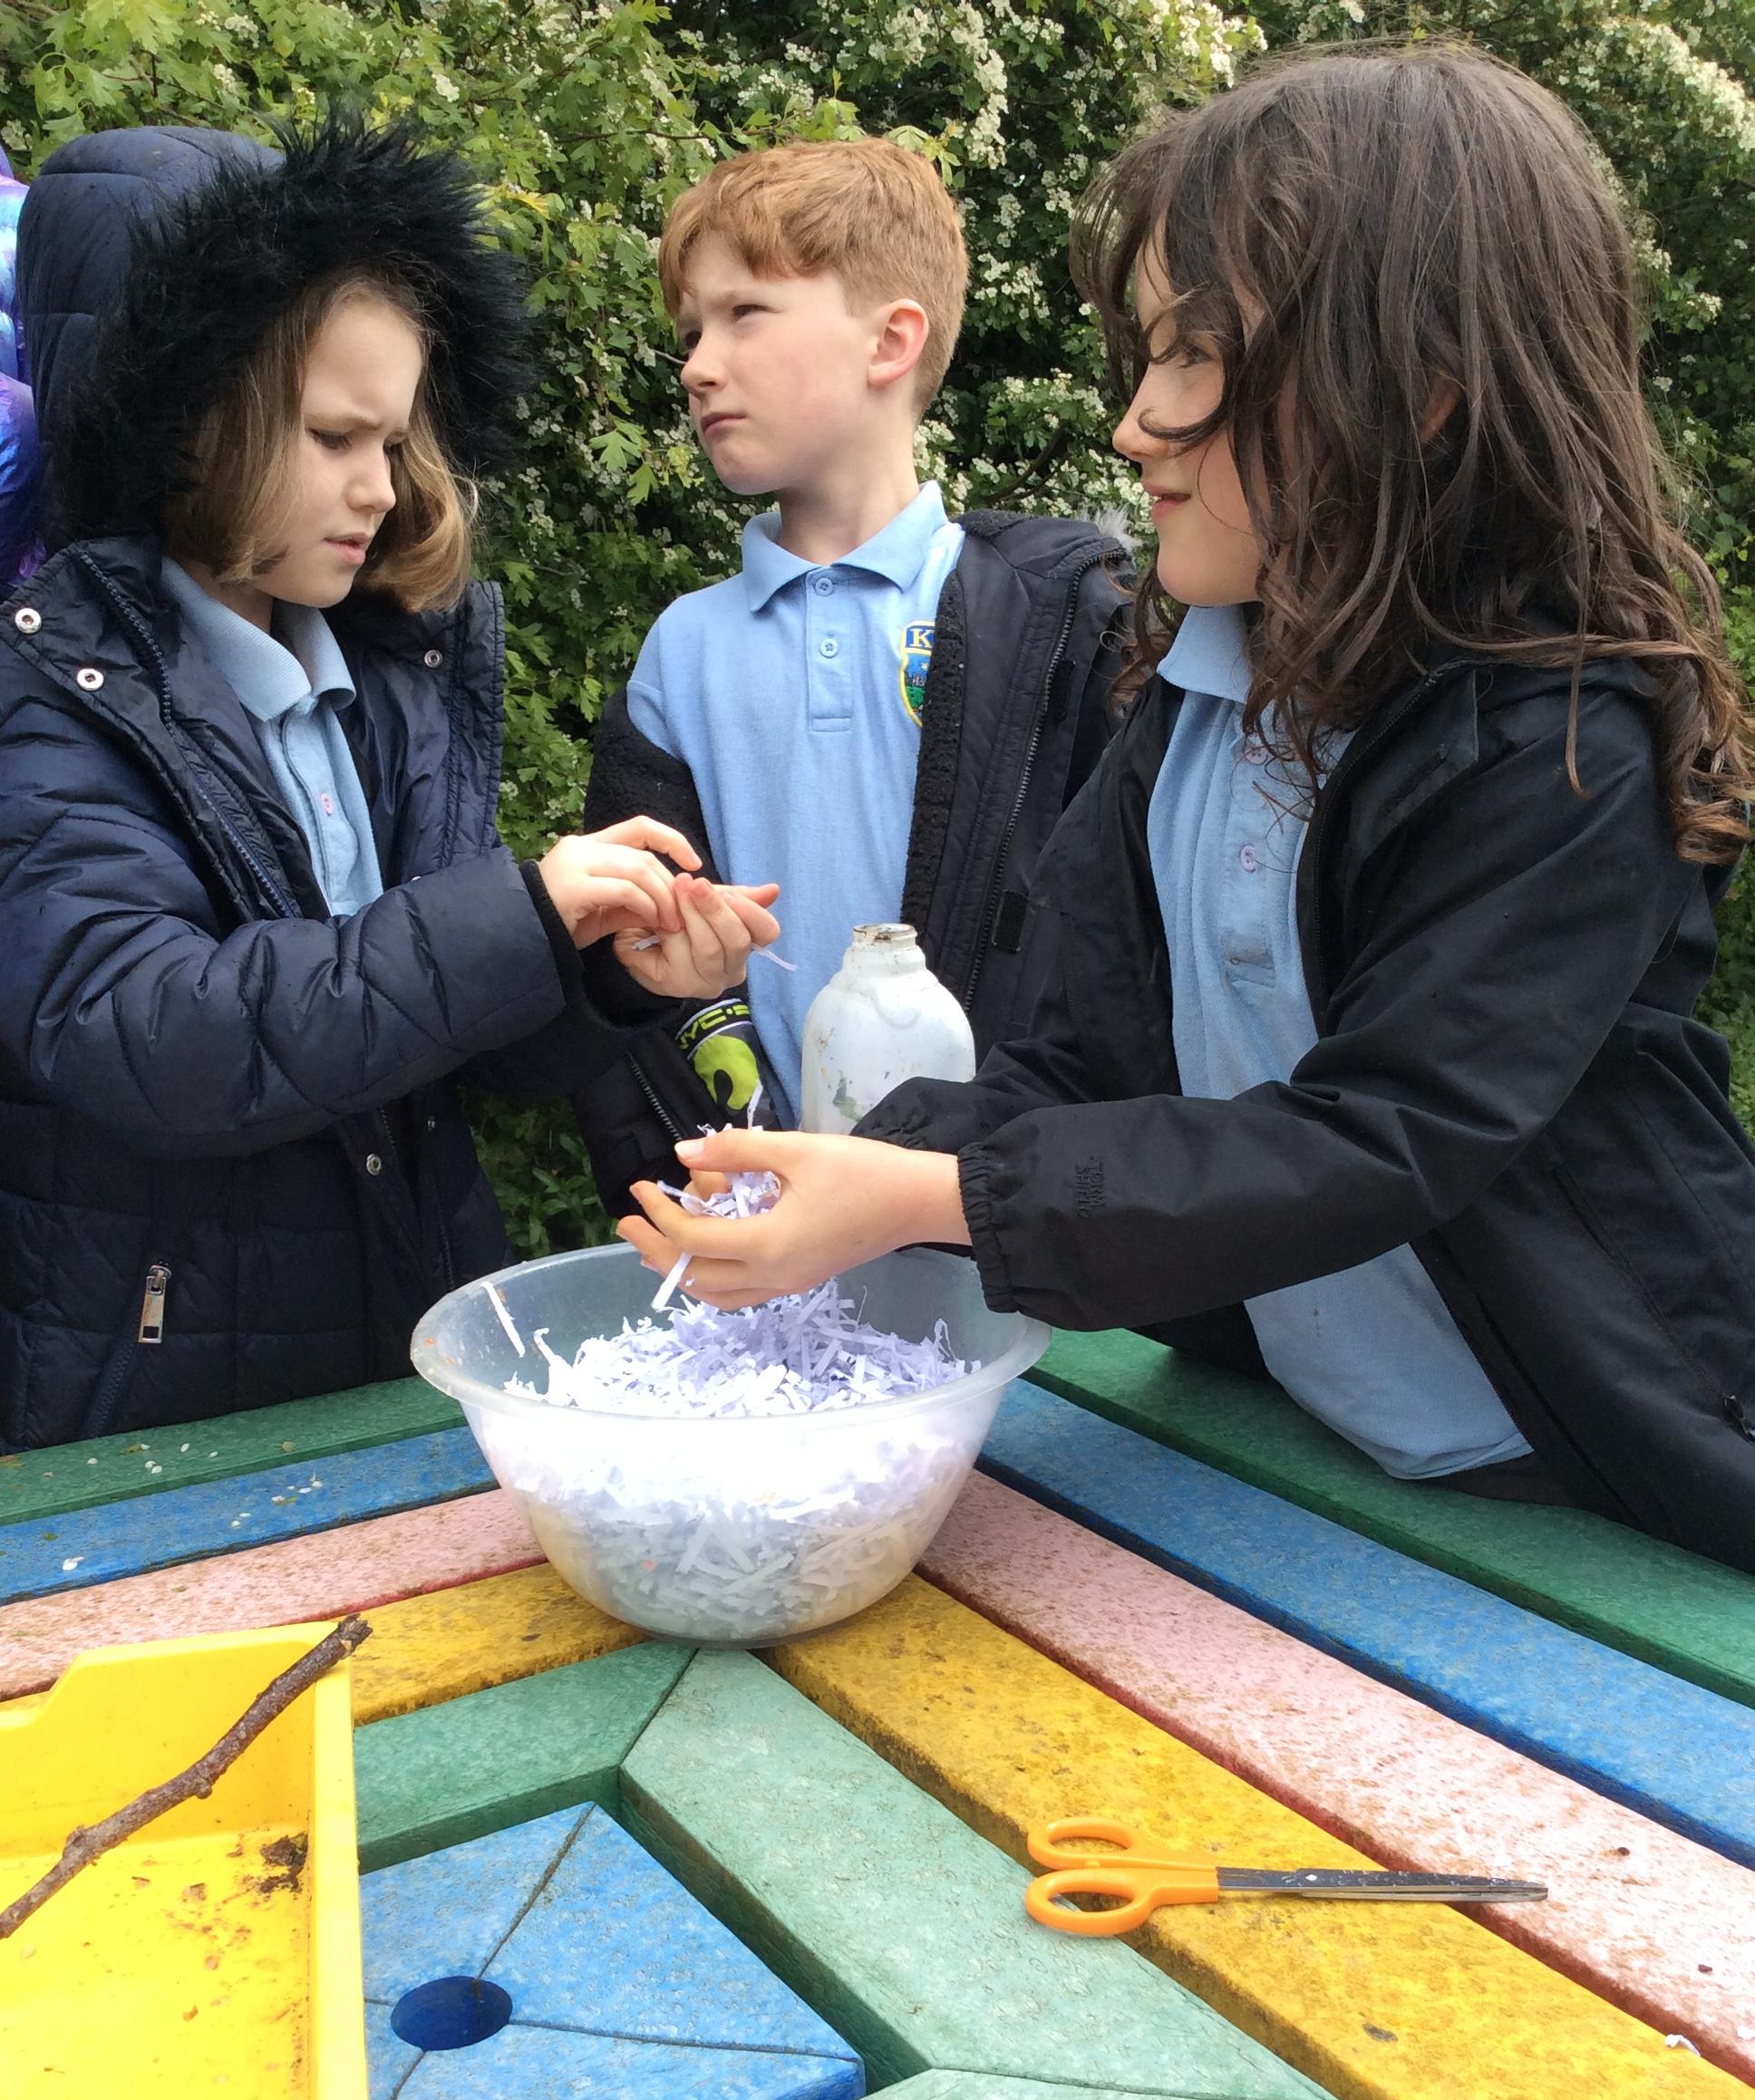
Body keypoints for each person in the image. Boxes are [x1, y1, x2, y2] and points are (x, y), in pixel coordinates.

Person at [619, 45, 1755, 1571]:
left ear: (1416, 393)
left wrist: (937, 1193)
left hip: (1571, 1467)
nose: (1136, 423)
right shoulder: (1195, 693)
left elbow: (1379, 1135)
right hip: (1295, 1433)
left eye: (1196, 356)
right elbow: (1084, 1061)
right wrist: (832, 1166)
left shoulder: (1560, 744)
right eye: (1145, 355)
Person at [0, 118, 776, 1447]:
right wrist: (512, 917)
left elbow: (422, 1037)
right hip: (161, 1427)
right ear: (187, 423)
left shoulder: (389, 677)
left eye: (396, 439)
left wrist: (596, 974)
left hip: (402, 1360)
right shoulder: (50, 702)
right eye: (332, 437)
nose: (378, 488)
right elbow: (149, 1034)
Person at [572, 136, 1130, 1213]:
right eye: (690, 332)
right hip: (764, 1224)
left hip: (995, 1218)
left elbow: (1114, 954)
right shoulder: (681, 652)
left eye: (744, 314)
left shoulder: (1054, 623)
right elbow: (622, 993)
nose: (696, 365)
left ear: (891, 341)